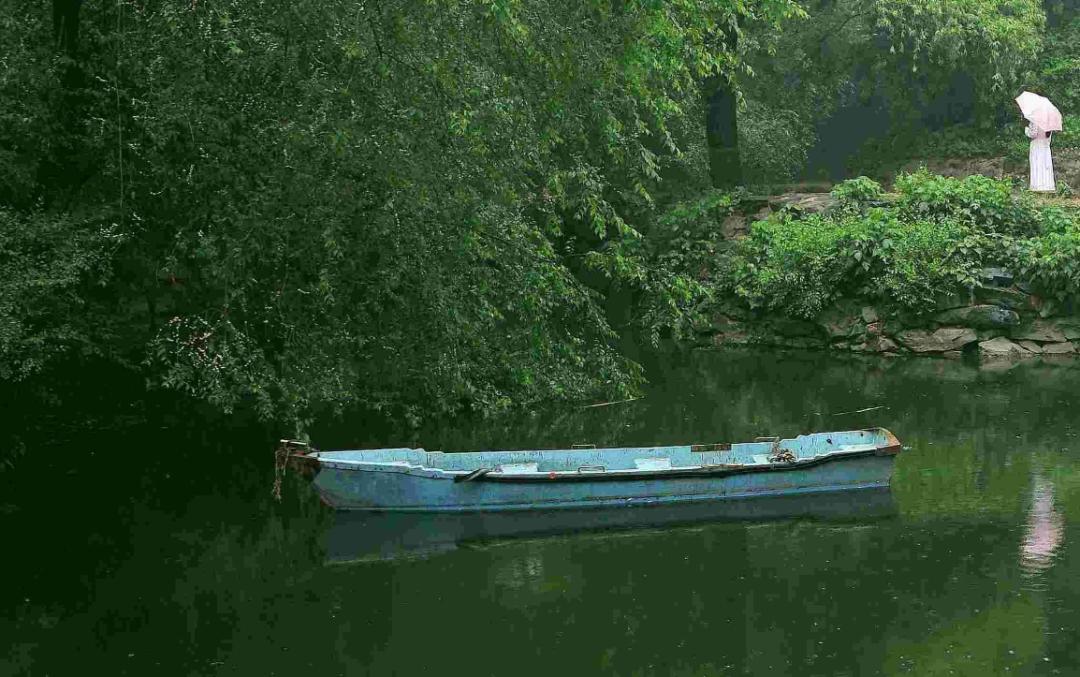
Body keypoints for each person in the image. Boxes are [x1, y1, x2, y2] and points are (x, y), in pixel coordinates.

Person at [1025, 120, 1055, 192]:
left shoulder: (1036, 121)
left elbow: (1034, 134)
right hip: (1045, 146)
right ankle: (1047, 185)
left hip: (1036, 145)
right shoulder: (1049, 124)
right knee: (1045, 165)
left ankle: (1037, 185)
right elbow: (1048, 138)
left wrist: (1027, 130)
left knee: (1036, 164)